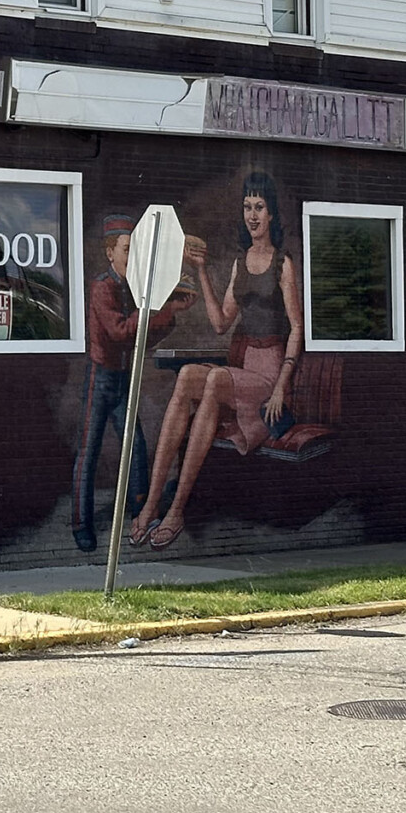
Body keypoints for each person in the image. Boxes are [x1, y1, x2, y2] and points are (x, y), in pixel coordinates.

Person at [128, 172, 304, 551]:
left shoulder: (283, 264)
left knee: (213, 380)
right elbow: (222, 323)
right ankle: (153, 504)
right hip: (245, 369)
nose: (252, 215)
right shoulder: (240, 263)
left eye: (259, 207)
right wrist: (202, 270)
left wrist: (281, 387)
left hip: (270, 374)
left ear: (272, 214)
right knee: (188, 377)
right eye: (247, 207)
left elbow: (297, 327)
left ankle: (177, 510)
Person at [72, 213, 197, 553]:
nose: (133, 257)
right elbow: (122, 332)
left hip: (123, 376)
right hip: (100, 378)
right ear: (109, 252)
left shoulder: (132, 288)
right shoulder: (102, 287)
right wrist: (158, 308)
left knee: (136, 446)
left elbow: (141, 339)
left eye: (136, 250)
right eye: (128, 250)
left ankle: (141, 513)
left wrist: (169, 311)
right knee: (88, 451)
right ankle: (81, 525)